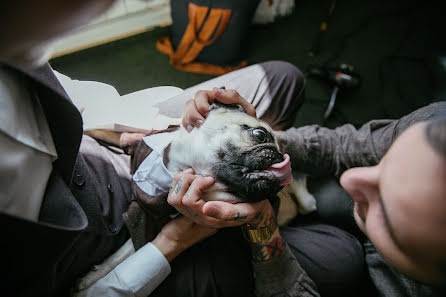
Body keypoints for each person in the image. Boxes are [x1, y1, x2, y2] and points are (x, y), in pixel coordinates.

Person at [0, 1, 364, 297]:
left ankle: (300, 196)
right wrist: (171, 243)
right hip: (119, 251)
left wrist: (162, 125)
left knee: (284, 79)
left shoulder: (14, 51)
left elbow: (73, 98)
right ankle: (308, 207)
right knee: (344, 257)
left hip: (121, 149)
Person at [185, 86, 446, 296]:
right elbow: (343, 146)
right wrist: (260, 140)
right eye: (388, 161)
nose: (351, 178)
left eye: (388, 215)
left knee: (343, 262)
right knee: (332, 197)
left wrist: (261, 224)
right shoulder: (435, 124)